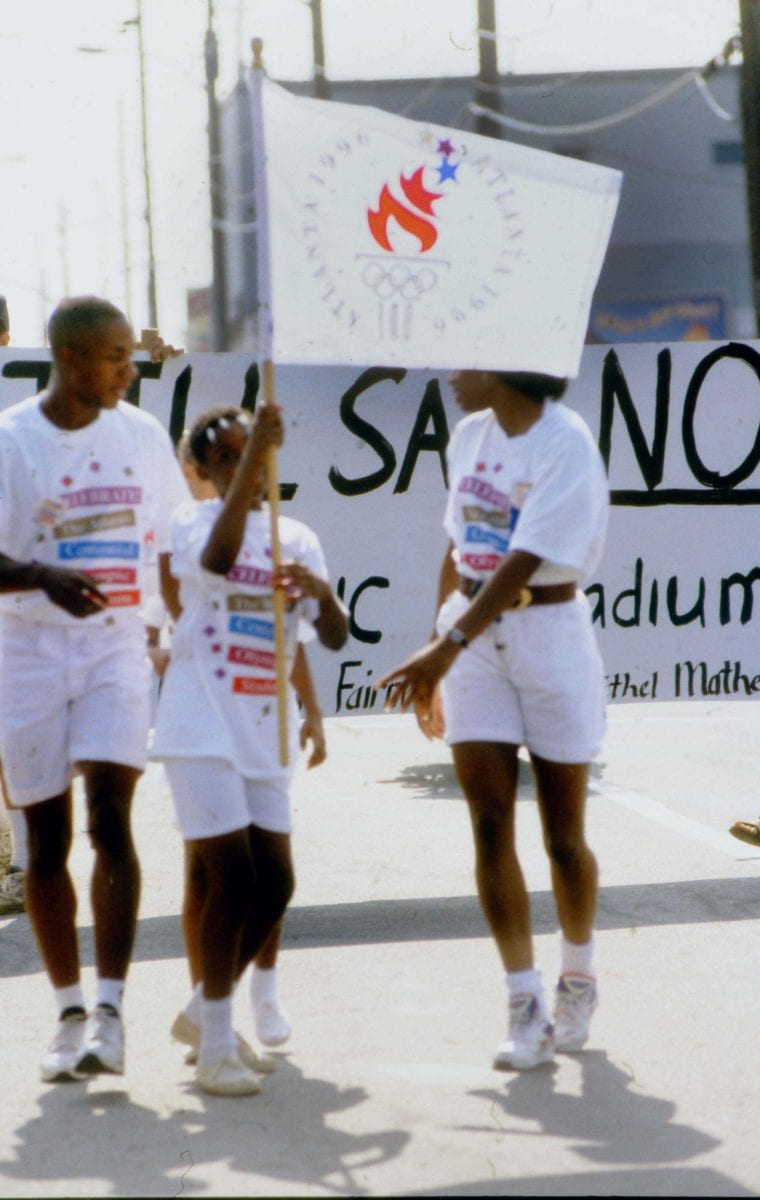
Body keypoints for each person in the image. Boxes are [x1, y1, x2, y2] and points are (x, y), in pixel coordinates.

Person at [379, 369, 609, 1071]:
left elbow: (523, 562)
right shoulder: (469, 436)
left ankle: (577, 975)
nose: (452, 373)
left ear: (506, 364)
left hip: (550, 635)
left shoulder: (564, 443)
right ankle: (524, 1004)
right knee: (488, 823)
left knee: (564, 837)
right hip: (470, 641)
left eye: (466, 359)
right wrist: (437, 644)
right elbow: (461, 551)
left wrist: (441, 651)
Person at [0, 296, 189, 1082]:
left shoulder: (142, 435)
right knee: (47, 842)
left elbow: (176, 542)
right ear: (70, 358)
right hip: (28, 653)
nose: (129, 368)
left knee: (113, 821)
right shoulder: (11, 441)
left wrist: (176, 637)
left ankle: (111, 1012)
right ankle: (68, 1011)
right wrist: (43, 575)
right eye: (115, 356)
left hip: (116, 650)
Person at [150, 401, 348, 1095]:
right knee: (229, 881)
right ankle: (213, 1049)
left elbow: (333, 636)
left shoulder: (298, 536)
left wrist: (322, 593)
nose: (245, 469)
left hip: (266, 728)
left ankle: (202, 1013)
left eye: (254, 455)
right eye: (228, 458)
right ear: (203, 472)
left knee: (278, 883)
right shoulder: (193, 522)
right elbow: (219, 559)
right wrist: (244, 475)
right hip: (201, 724)